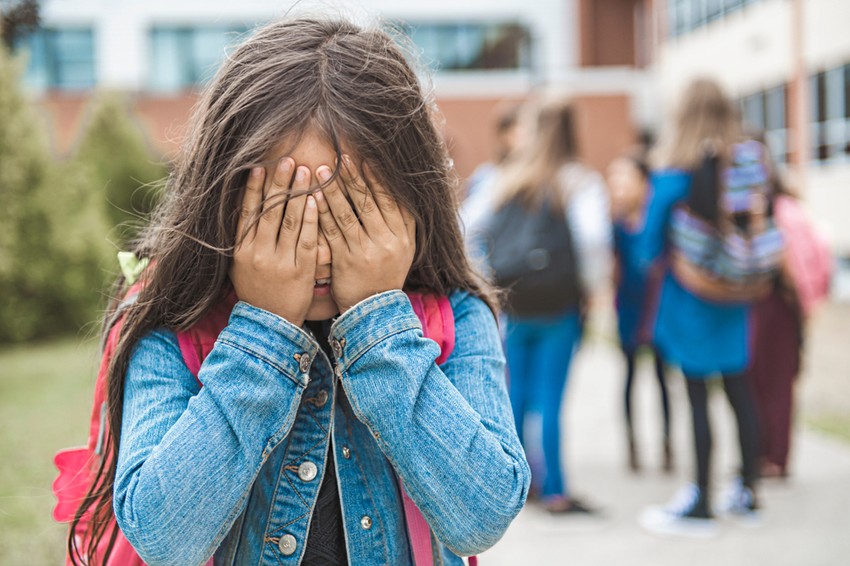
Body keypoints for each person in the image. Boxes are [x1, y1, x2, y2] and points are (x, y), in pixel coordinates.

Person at [66, 17, 530, 566]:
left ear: (412, 201)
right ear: (221, 201)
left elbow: (482, 515)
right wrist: (264, 332)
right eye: (284, 213)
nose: (316, 249)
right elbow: (164, 537)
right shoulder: (171, 327)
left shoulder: (455, 317)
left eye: (349, 212)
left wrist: (379, 327)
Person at [638, 78, 764, 537]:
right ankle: (749, 493)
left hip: (690, 303)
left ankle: (701, 503)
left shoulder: (674, 173)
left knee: (696, 398)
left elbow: (647, 247)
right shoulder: (745, 164)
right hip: (736, 299)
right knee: (739, 393)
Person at [478, 96, 611, 514]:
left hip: (515, 301)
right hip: (559, 304)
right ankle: (555, 489)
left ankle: (516, 487)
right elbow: (592, 240)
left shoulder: (504, 179)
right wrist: (593, 286)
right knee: (551, 397)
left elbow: (468, 227)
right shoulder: (578, 181)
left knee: (514, 393)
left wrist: (484, 281)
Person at [607, 150, 672, 474]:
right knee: (631, 375)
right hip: (629, 309)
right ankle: (632, 445)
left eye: (624, 178)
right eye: (613, 179)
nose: (617, 185)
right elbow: (613, 268)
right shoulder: (616, 224)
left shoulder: (659, 220)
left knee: (663, 378)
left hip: (658, 310)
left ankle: (667, 444)